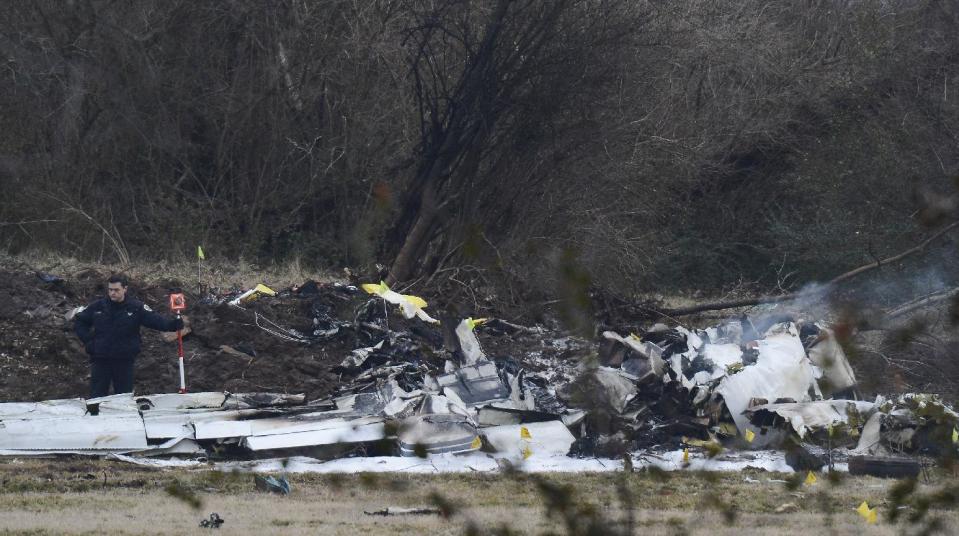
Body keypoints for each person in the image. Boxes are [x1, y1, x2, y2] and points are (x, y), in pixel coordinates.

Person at [74, 274, 183, 398]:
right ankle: (96, 417)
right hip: (100, 359)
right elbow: (80, 321)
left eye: (116, 290)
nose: (112, 293)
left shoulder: (136, 307)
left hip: (124, 360)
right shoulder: (98, 306)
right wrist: (88, 341)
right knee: (96, 397)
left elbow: (156, 321)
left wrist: (172, 325)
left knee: (123, 398)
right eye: (110, 290)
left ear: (125, 289)